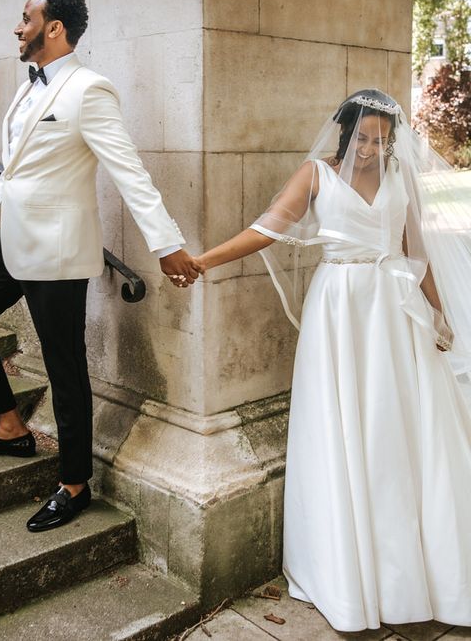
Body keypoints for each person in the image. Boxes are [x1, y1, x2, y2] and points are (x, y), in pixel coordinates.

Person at [194, 89, 471, 631]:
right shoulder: (316, 175)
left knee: (402, 430)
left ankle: (421, 570)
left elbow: (418, 253)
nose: (371, 148)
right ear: (345, 132)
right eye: (363, 137)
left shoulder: (400, 179)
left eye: (382, 139)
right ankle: (350, 576)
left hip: (395, 309)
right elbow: (267, 228)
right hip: (340, 309)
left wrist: (440, 315)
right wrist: (205, 261)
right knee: (346, 426)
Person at [0, 0, 201, 533]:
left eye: (26, 18)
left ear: (53, 28)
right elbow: (11, 176)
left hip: (57, 254)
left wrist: (166, 243)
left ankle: (75, 484)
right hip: (9, 245)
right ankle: (11, 429)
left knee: (65, 368)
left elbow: (128, 170)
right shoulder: (26, 88)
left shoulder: (89, 90)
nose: (17, 26)